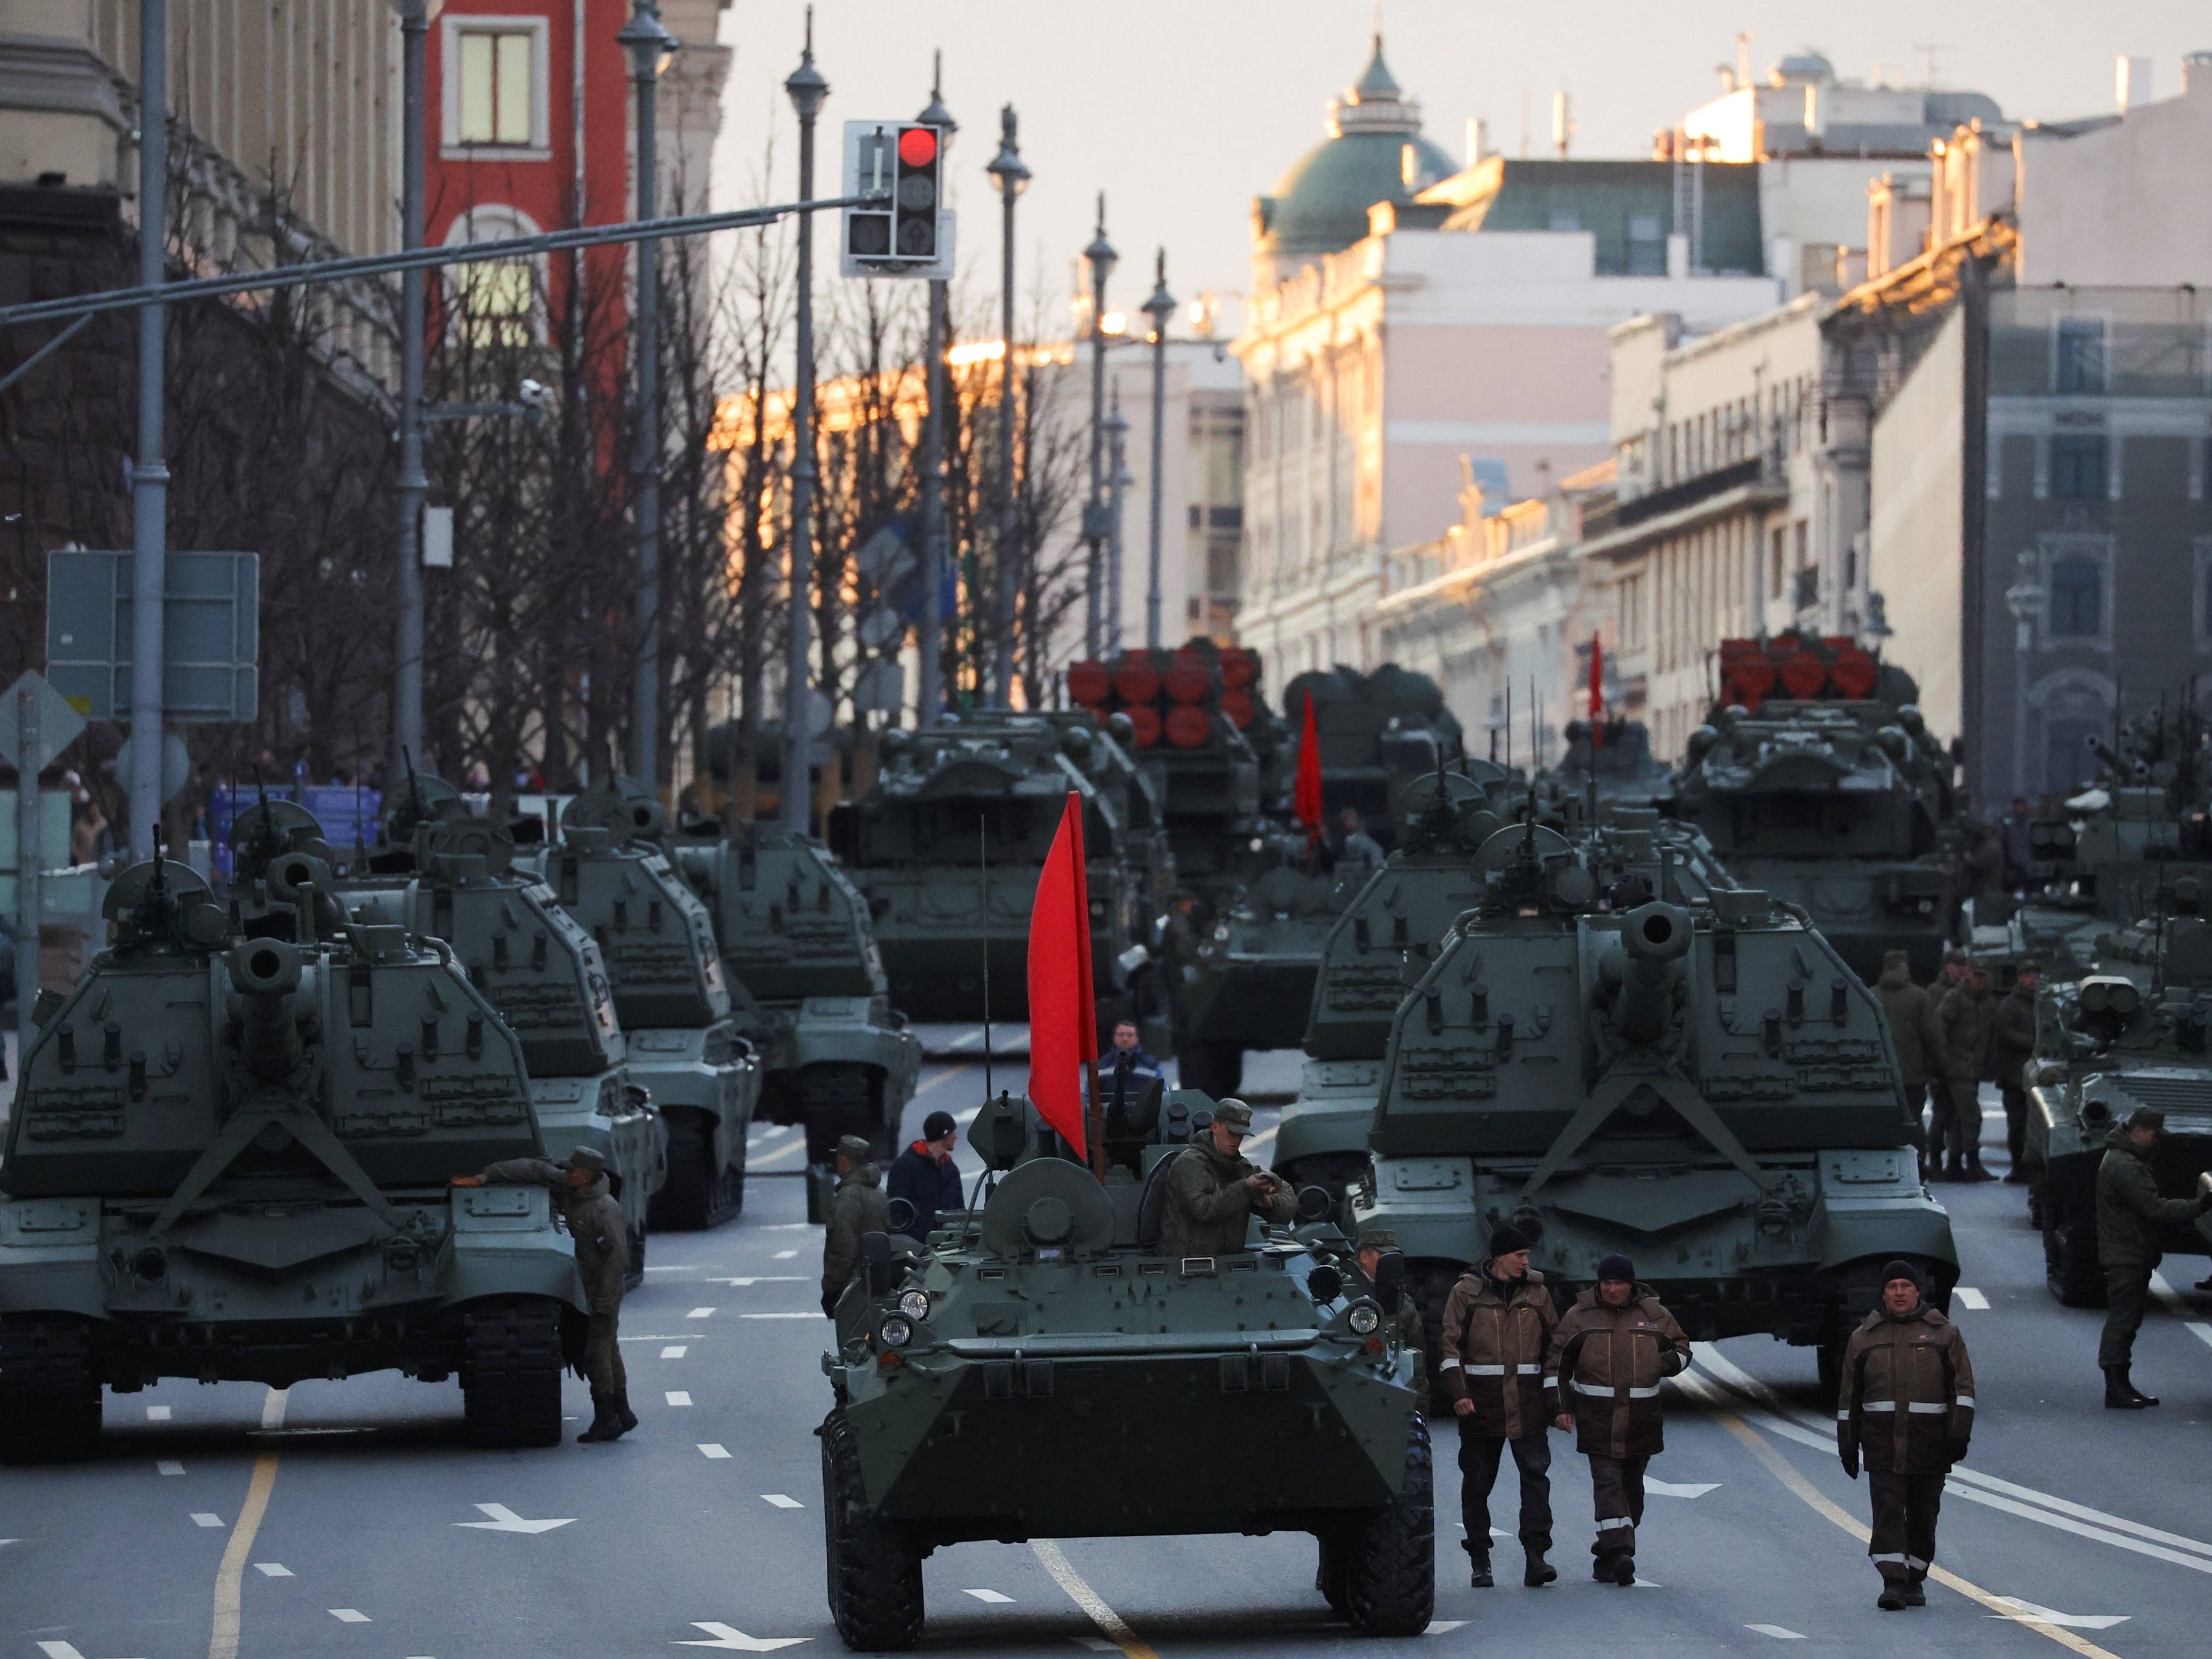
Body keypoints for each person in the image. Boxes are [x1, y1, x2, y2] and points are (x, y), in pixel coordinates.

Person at [453, 1146, 633, 1443]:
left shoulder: (604, 1207)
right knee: (608, 1347)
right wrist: (489, 1175)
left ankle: (607, 1417)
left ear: (585, 1176)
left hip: (603, 1287)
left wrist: (604, 1299)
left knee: (597, 1351)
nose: (566, 1173)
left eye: (572, 1170)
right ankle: (621, 1412)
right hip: (588, 1283)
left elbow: (618, 1258)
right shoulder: (571, 1189)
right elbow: (534, 1169)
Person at [1545, 1254, 1691, 1587]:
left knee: (1632, 1491)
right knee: (1608, 1484)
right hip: (1598, 1418)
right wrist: (1559, 1408)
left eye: (1618, 1283)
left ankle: (1608, 1554)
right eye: (1606, 1283)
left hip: (1643, 1418)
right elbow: (1556, 1366)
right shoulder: (1578, 1318)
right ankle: (1623, 1550)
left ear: (1631, 1285)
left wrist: (1662, 1363)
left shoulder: (1655, 1315)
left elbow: (1682, 1349)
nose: (1612, 1289)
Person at [1837, 1261, 1975, 1610]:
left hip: (1929, 1444)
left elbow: (1963, 1389)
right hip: (1882, 1444)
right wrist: (1848, 1445)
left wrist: (1959, 1435)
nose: (1900, 1292)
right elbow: (1849, 1399)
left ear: (1918, 1291)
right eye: (1893, 1286)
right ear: (1883, 1293)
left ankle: (1915, 1578)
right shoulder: (1863, 1338)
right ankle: (1893, 1582)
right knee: (1887, 1511)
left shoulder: (1944, 1334)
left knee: (1923, 1514)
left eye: (1906, 1286)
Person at [1439, 1222, 1557, 1589]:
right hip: (1481, 1408)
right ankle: (1480, 1560)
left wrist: (1556, 1403)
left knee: (1536, 1480)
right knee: (1477, 1483)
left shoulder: (1538, 1295)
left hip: (1528, 1405)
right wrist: (1459, 1394)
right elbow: (1448, 1349)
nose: (1527, 1261)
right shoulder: (1466, 1294)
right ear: (1500, 1257)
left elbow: (1556, 1349)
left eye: (1527, 1255)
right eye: (1521, 1255)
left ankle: (1536, 1558)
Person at [2095, 1107, 2212, 1407]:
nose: (2157, 1141)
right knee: (2122, 1321)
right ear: (2138, 1131)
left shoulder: (2127, 1158)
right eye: (2154, 1134)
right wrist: (2199, 1206)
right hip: (2126, 1253)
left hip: (2131, 1251)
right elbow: (2154, 1208)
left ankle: (2122, 1383)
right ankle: (2115, 1387)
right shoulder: (2125, 1165)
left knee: (2129, 1320)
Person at [1159, 1098, 1296, 1258]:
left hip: (1228, 1263)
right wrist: (1246, 1189)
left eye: (1241, 1135)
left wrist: (1270, 1204)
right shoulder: (1189, 1164)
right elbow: (1204, 1210)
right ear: (1215, 1127)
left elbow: (1287, 1196)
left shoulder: (1240, 1166)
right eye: (1232, 1133)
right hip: (1187, 1265)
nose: (1237, 1140)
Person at [1874, 950, 1942, 1175]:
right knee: (1913, 1119)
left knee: (1885, 1120)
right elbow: (1931, 1035)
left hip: (1880, 1075)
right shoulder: (1919, 997)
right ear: (1905, 968)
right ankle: (1918, 1166)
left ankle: (1885, 1168)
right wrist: (1938, 1065)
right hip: (1913, 1074)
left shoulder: (1870, 996)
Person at [1355, 1228, 1428, 1415]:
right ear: (1364, 1256)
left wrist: (1417, 1412)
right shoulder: (1345, 1297)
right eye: (1386, 1257)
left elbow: (1416, 1360)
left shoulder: (1402, 1301)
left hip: (1396, 1401)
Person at [1933, 964, 1997, 1181]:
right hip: (1956, 1067)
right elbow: (1940, 1028)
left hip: (1973, 1069)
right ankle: (1972, 1161)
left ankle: (1954, 1163)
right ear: (1968, 976)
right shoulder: (1956, 997)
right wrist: (1943, 1060)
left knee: (1959, 1118)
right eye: (1975, 976)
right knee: (1971, 1116)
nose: (1979, 981)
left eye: (1983, 976)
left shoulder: (1988, 1002)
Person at [822, 1134, 891, 1315]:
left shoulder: (848, 1197)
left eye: (839, 1157)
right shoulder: (878, 1192)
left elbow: (843, 1248)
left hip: (854, 1287)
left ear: (845, 1161)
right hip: (878, 1281)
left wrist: (832, 1288)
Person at [1989, 964, 2040, 1184]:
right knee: (2017, 1125)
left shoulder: (2043, 1004)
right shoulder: (2010, 1004)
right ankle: (2018, 1167)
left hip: (2039, 1076)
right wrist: (2035, 1045)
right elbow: (2005, 1033)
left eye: (2035, 975)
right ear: (2020, 978)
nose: (2033, 979)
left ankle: (2032, 1168)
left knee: (2034, 1126)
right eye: (2028, 975)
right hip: (2015, 1075)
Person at [888, 1110, 964, 1243]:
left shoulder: (950, 1169)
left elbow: (959, 1209)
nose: (956, 1137)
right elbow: (896, 1210)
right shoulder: (905, 1166)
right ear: (944, 1134)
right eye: (953, 1133)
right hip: (916, 1246)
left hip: (948, 1245)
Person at [1091, 1019, 1164, 1132]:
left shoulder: (1151, 1066)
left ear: (1137, 1038)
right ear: (1114, 1037)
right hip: (1108, 1123)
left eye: (1130, 1035)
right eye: (1121, 1035)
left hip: (1145, 1123)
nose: (1125, 1039)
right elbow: (1089, 1097)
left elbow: (1163, 1096)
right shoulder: (1101, 1066)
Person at [1335, 808, 1385, 875]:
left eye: (1352, 819)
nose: (1349, 823)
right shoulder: (1344, 839)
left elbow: (1376, 851)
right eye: (1347, 820)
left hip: (1369, 872)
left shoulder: (1361, 838)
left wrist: (1375, 868)